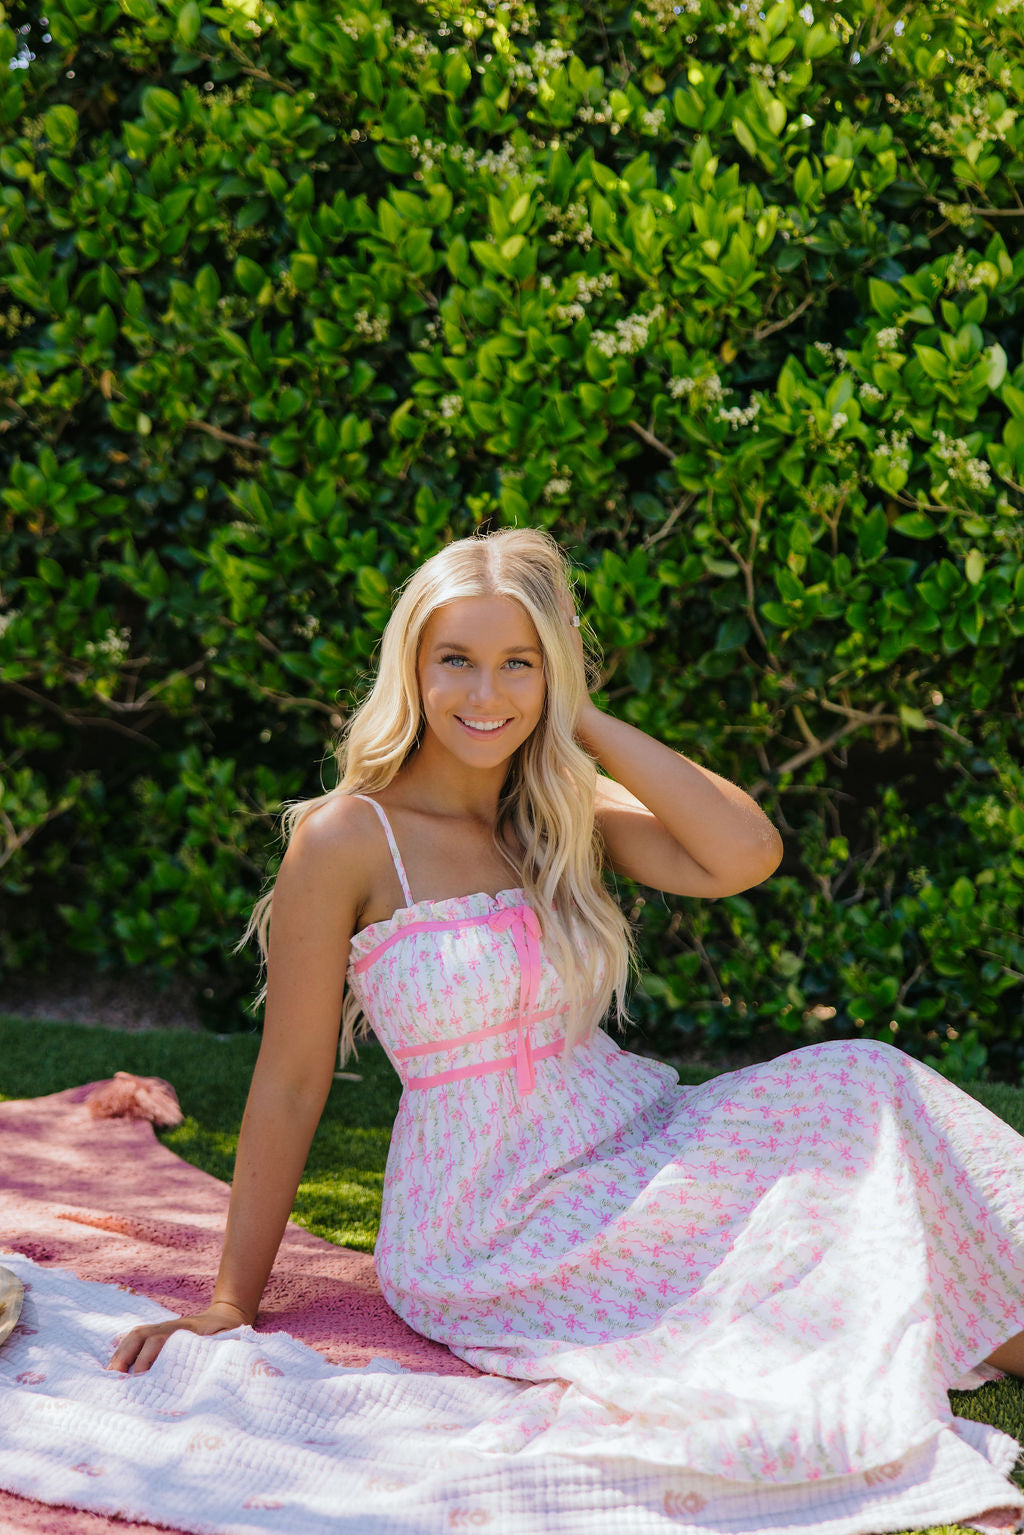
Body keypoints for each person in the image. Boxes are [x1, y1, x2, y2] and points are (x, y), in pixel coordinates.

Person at [107, 528, 1024, 1510]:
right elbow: (291, 1078)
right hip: (493, 1217)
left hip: (631, 1136)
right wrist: (229, 1302)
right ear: (412, 665)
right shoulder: (347, 837)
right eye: (456, 659)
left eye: (520, 662)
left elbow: (745, 853)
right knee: (820, 1190)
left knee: (860, 1080)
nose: (485, 693)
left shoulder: (557, 805)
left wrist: (579, 717)